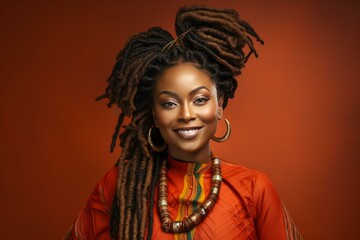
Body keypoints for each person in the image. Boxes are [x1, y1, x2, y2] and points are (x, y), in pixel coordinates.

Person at [65, 5, 302, 240]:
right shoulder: (120, 188)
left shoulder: (254, 188)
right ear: (155, 115)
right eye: (169, 103)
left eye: (199, 99)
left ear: (219, 105)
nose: (186, 114)